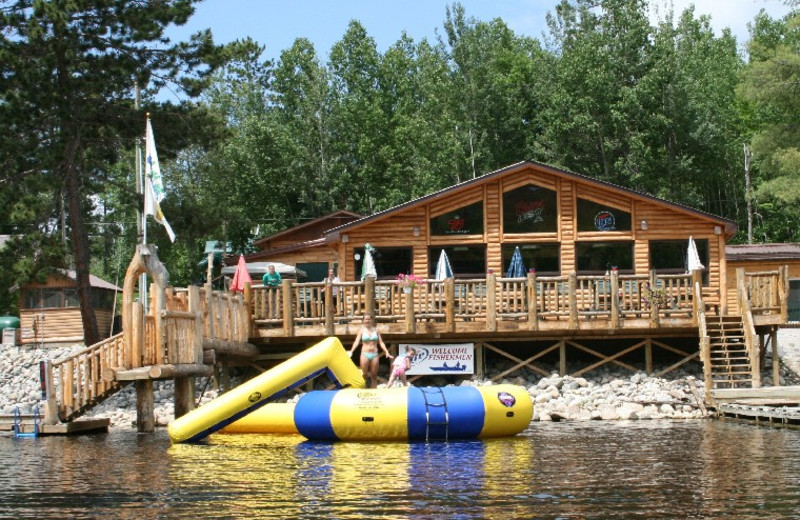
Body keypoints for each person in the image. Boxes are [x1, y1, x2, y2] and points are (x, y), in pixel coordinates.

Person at [348, 314, 392, 388]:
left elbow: (381, 342)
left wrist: (386, 352)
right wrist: (351, 351)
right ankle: (362, 389)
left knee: (374, 375)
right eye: (365, 319)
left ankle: (374, 391)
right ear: (363, 321)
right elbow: (356, 341)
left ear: (371, 320)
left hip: (374, 354)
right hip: (365, 354)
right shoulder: (361, 330)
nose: (367, 321)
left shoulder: (376, 330)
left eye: (368, 319)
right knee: (364, 374)